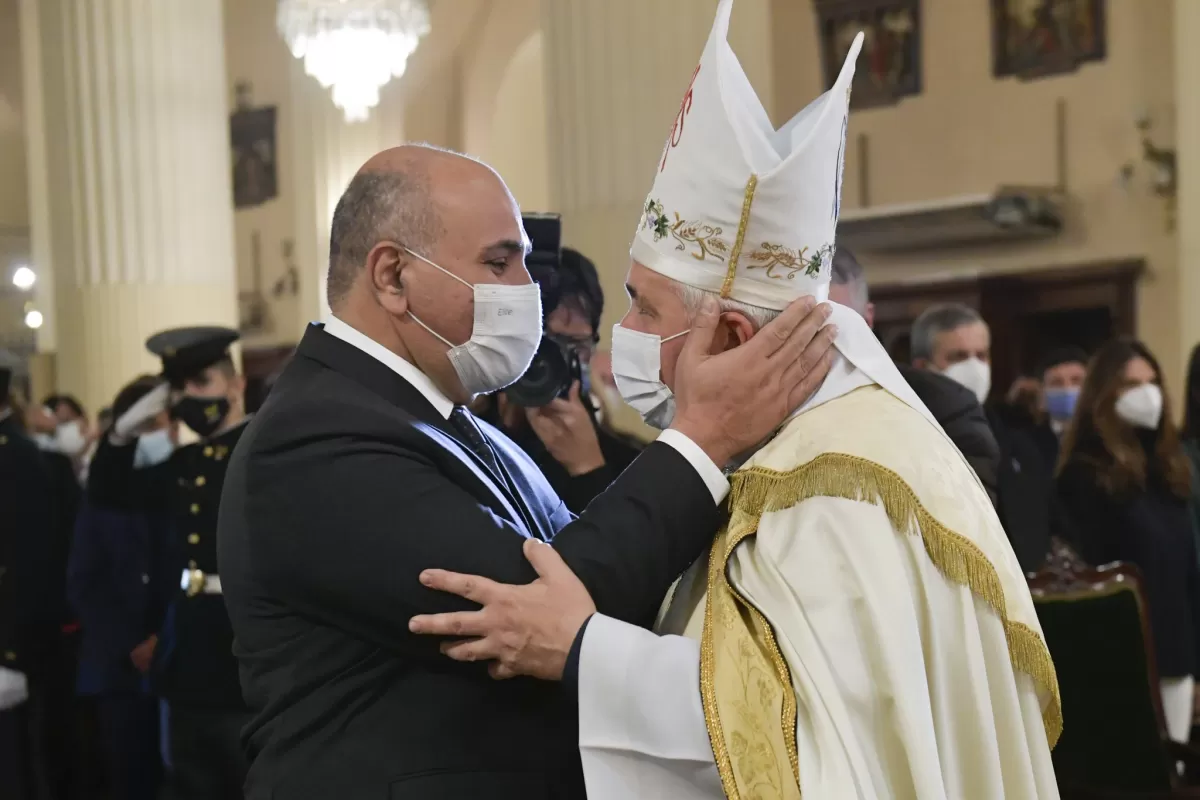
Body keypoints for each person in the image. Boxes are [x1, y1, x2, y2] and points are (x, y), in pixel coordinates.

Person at [409, 6, 1059, 798]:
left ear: (734, 334)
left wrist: (582, 649)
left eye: (645, 307)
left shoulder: (842, 480)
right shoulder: (786, 446)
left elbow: (802, 740)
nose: (628, 332)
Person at [215, 141, 836, 799]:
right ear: (393, 276)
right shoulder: (313, 437)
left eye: (525, 265)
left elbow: (589, 574)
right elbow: (550, 602)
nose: (527, 292)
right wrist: (703, 436)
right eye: (499, 263)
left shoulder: (458, 423)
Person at [87, 326, 251, 800]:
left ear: (236, 384)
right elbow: (109, 493)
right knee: (191, 780)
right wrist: (120, 433)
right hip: (191, 649)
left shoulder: (264, 447)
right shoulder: (185, 463)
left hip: (247, 648)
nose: (190, 398)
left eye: (202, 383)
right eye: (180, 389)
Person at [1055, 338, 1198, 743]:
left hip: (1177, 655)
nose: (1148, 394)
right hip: (1120, 661)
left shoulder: (1168, 470)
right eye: (1132, 385)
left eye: (1152, 382)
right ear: (1105, 394)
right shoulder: (1084, 474)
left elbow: (1187, 569)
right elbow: (1090, 572)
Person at [68, 375, 178, 800]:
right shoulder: (103, 496)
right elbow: (84, 582)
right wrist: (133, 643)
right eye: (148, 427)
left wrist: (161, 638)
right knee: (132, 779)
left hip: (179, 662)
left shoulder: (184, 484)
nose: (161, 436)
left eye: (163, 424)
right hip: (119, 670)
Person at [476, 246, 643, 512]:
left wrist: (589, 469)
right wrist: (503, 436)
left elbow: (633, 550)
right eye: (541, 344)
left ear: (592, 347)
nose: (551, 361)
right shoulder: (463, 439)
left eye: (573, 345)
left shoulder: (634, 466)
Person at [828, 247, 1000, 505]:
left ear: (868, 318)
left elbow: (967, 515)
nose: (819, 339)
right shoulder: (762, 399)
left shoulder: (943, 404)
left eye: (835, 324)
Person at [911, 303, 1057, 571]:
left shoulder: (1016, 441)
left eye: (981, 355)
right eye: (958, 357)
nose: (974, 367)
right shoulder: (910, 437)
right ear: (922, 366)